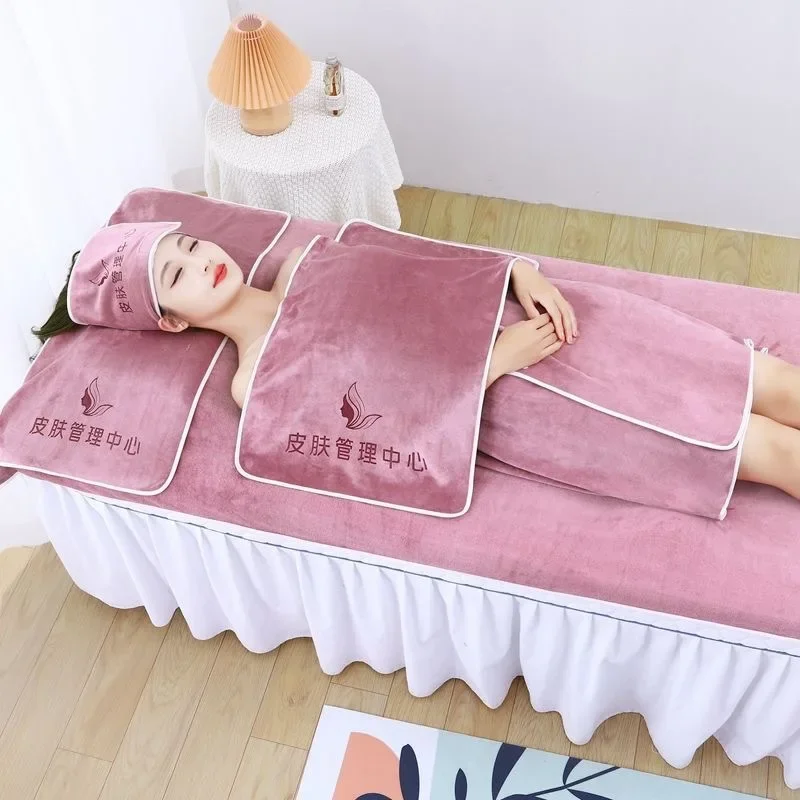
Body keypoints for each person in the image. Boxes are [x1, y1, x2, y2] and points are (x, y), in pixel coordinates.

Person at [33, 221, 800, 507]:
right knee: (766, 449)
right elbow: (384, 437)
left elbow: (427, 259)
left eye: (189, 244)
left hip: (541, 312)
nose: (202, 260)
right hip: (521, 397)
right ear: (171, 320)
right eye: (176, 274)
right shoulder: (255, 380)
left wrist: (519, 272)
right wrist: (494, 362)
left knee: (769, 381)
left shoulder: (305, 258)